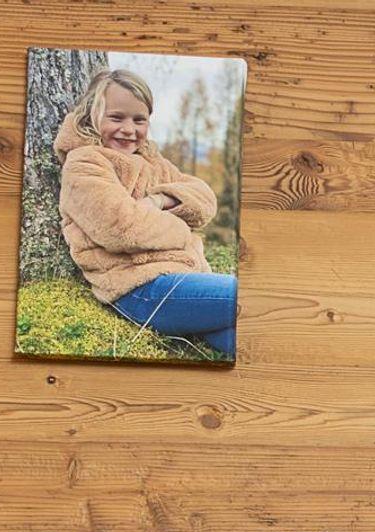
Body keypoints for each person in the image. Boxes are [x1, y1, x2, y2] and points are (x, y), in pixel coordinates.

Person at [52, 68, 237, 358]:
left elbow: (204, 199)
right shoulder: (85, 163)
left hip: (181, 277)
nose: (129, 129)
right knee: (250, 295)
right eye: (116, 118)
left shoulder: (152, 162)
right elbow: (121, 228)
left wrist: (159, 200)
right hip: (138, 288)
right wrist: (181, 229)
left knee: (245, 336)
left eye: (139, 120)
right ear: (92, 116)